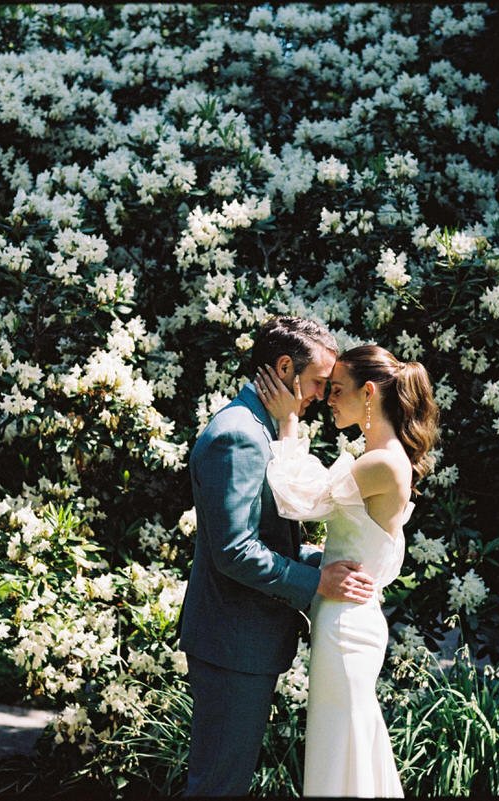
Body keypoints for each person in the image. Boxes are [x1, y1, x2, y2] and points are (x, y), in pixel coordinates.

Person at [178, 316, 378, 797]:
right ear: (284, 367)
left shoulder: (263, 428)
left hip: (242, 641)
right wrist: (317, 584)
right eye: (316, 383)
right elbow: (235, 550)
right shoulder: (239, 435)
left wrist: (321, 558)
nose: (320, 396)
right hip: (233, 643)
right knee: (218, 787)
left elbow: (267, 536)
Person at [254, 344, 439, 798]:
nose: (329, 400)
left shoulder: (380, 462)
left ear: (369, 393)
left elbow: (299, 499)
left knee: (343, 751)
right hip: (349, 619)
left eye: (337, 391)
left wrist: (288, 423)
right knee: (352, 747)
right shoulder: (383, 459)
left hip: (346, 627)